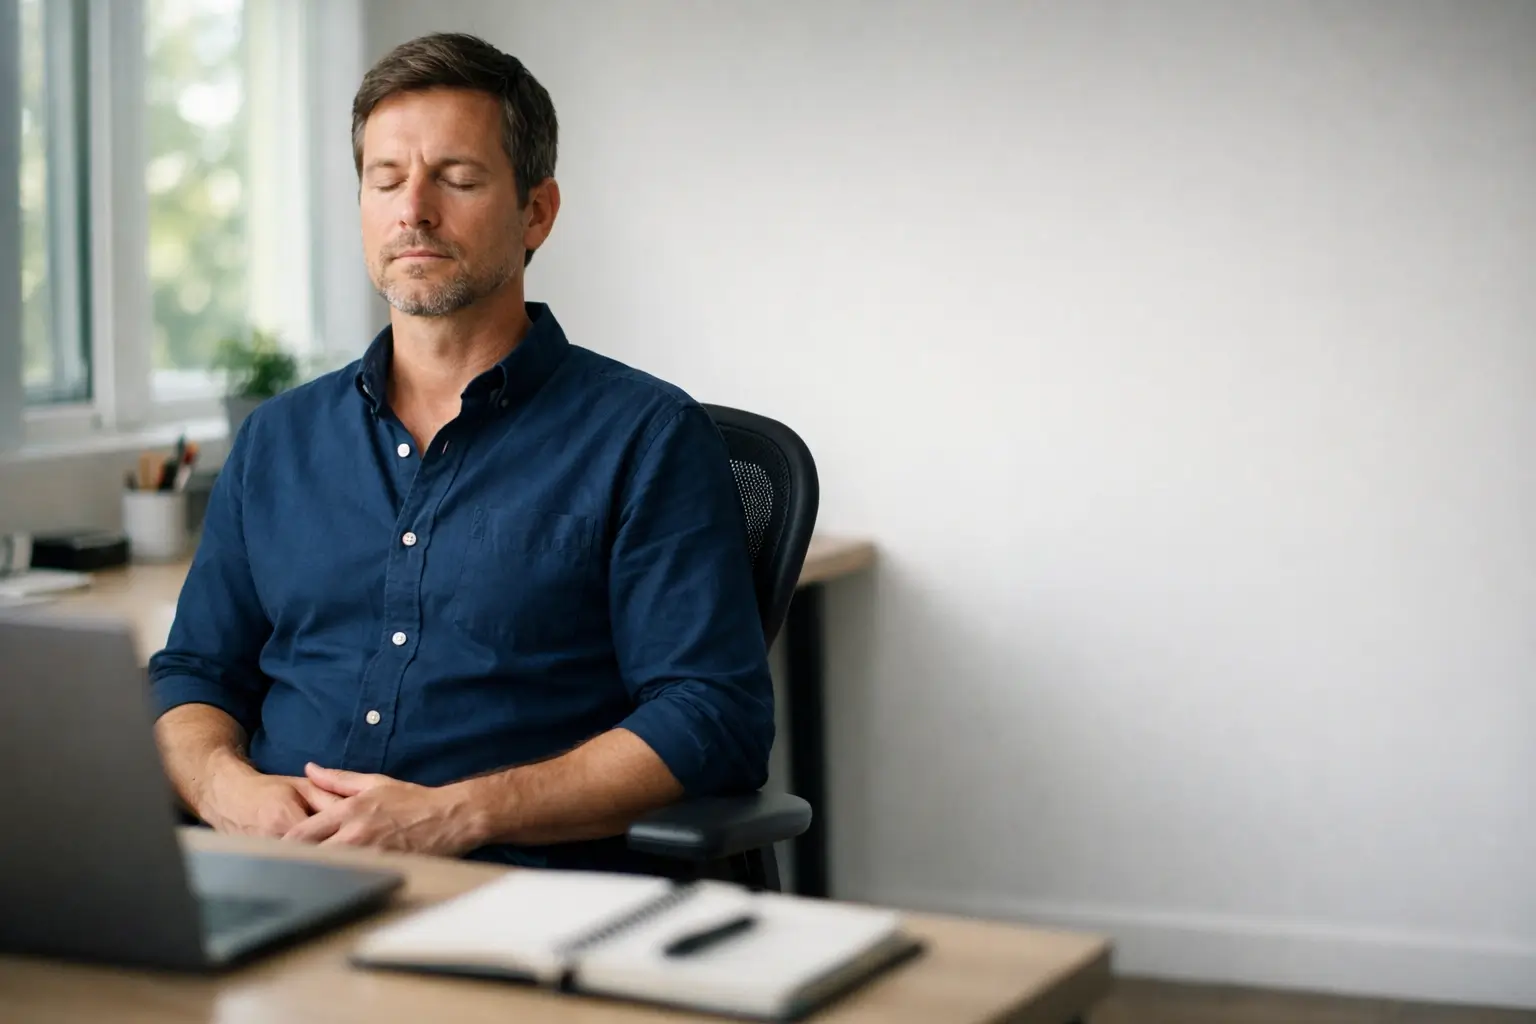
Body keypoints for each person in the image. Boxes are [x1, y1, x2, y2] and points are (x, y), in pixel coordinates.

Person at [148, 32, 774, 872]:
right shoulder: (277, 440)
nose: (414, 210)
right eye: (387, 178)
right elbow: (193, 675)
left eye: (459, 178)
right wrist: (224, 787)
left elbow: (712, 716)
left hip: (511, 893)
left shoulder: (645, 438)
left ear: (536, 213)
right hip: (281, 875)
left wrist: (457, 815)